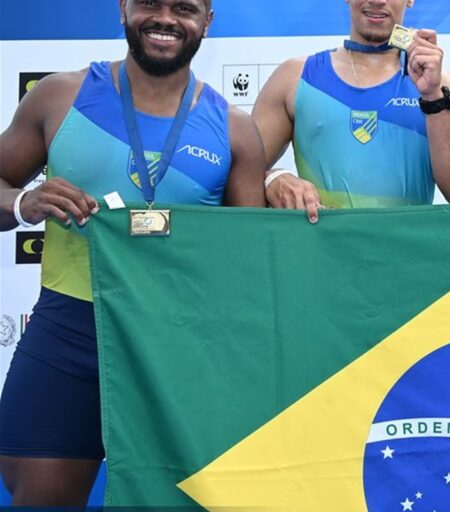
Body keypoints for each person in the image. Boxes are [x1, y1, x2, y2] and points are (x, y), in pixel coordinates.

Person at [0, 0, 266, 505]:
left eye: (184, 8)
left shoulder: (234, 129)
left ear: (207, 21)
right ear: (124, 8)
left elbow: (247, 260)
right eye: (149, 3)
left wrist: (283, 185)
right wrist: (21, 202)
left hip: (179, 347)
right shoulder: (60, 96)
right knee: (40, 498)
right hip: (70, 332)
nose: (165, 19)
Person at [254, 0, 450, 220]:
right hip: (321, 243)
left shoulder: (447, 88)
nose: (377, 1)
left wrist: (432, 97)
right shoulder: (295, 77)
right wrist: (272, 179)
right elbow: (239, 177)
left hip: (409, 243)